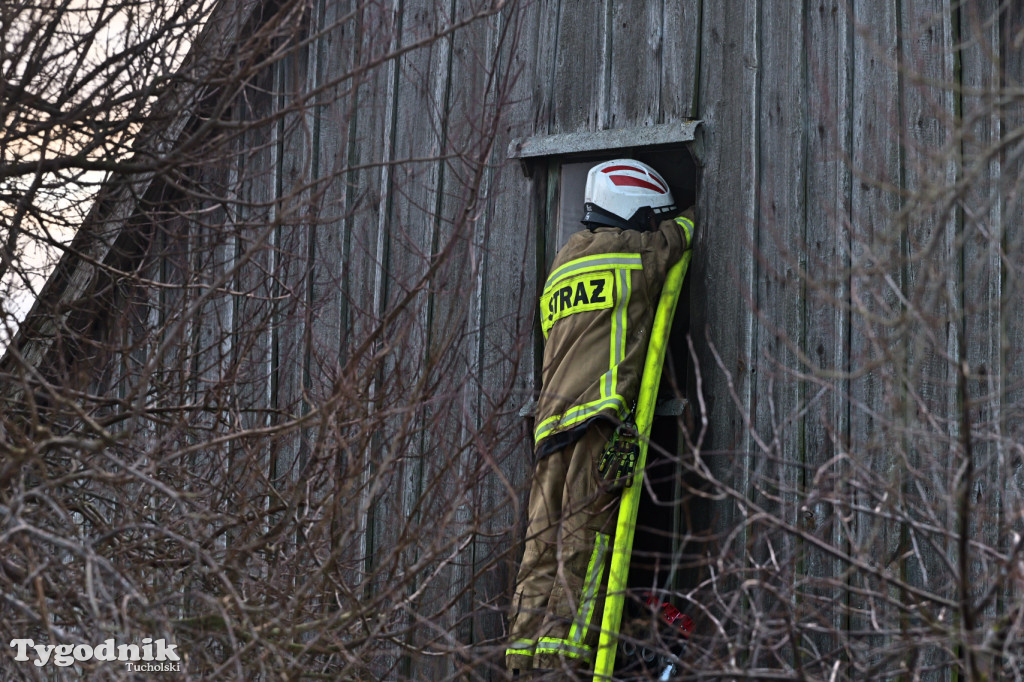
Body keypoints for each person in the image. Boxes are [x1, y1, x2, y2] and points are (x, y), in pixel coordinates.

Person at [506, 159, 694, 675]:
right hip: (599, 425)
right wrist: (685, 213)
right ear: (636, 210)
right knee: (581, 547)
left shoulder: (563, 263)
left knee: (538, 552)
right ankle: (567, 662)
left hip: (549, 430)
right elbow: (679, 237)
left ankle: (523, 662)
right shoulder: (632, 253)